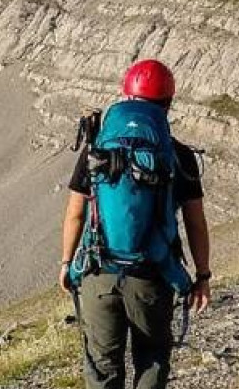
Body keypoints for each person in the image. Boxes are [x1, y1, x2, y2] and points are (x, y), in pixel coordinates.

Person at [60, 59, 212, 389]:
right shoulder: (179, 156)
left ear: (126, 95)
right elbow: (195, 223)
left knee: (103, 366)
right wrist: (202, 276)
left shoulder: (98, 149)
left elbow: (75, 214)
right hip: (152, 275)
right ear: (167, 103)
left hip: (99, 271)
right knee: (152, 357)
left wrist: (66, 263)